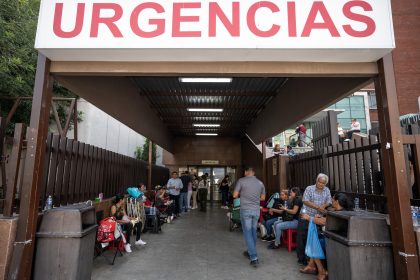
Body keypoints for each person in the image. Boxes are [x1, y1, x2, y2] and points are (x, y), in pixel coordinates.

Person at [299, 193, 354, 280]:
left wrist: (309, 218)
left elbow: (324, 222)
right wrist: (319, 217)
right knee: (315, 238)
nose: (331, 200)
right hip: (336, 239)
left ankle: (322, 271)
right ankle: (311, 266)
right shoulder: (341, 211)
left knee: (314, 243)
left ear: (337, 201)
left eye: (333, 199)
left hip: (338, 242)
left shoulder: (340, 213)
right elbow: (326, 220)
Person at [233, 166, 266, 267]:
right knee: (253, 232)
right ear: (254, 172)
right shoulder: (260, 183)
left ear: (247, 172)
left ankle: (254, 257)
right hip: (256, 211)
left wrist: (244, 196)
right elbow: (263, 198)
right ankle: (249, 251)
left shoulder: (241, 181)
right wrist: (254, 199)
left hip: (246, 210)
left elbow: (234, 195)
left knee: (247, 233)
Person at [296, 173, 332, 266]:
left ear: (325, 184)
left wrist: (323, 206)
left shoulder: (327, 190)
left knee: (313, 237)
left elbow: (329, 201)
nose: (321, 184)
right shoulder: (309, 188)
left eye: (323, 183)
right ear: (316, 181)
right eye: (319, 182)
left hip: (317, 217)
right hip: (305, 215)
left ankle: (311, 258)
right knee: (302, 237)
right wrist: (318, 207)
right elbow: (305, 200)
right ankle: (301, 258)